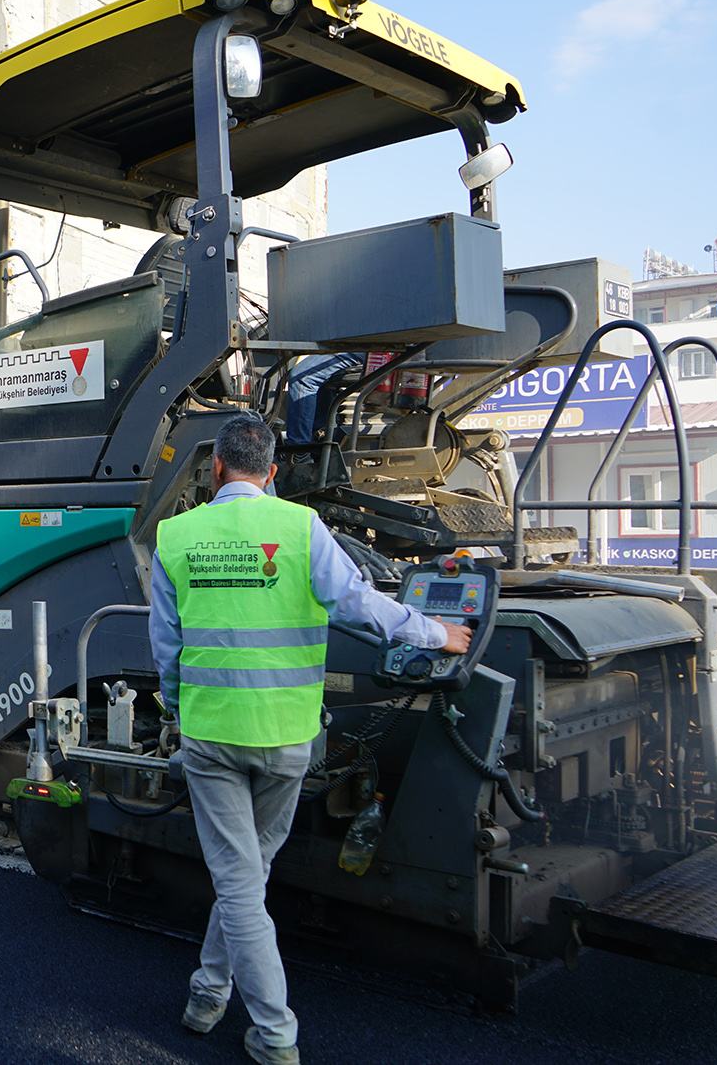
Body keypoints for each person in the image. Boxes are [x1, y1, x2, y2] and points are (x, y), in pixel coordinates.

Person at [149, 414, 471, 1065]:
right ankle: (226, 1005)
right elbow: (358, 603)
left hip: (212, 737)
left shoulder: (176, 536)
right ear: (271, 472)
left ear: (215, 468)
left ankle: (257, 1022)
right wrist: (437, 633)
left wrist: (181, 710)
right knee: (247, 876)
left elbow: (167, 647)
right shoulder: (300, 528)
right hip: (287, 738)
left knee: (241, 882)